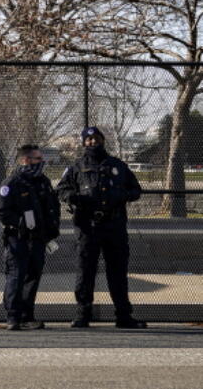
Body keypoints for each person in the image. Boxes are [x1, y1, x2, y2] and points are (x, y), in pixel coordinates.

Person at [56, 126, 147, 329]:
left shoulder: (118, 166)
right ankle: (82, 314)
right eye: (88, 140)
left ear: (102, 140)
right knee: (85, 271)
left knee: (117, 271)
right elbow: (61, 188)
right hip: (88, 228)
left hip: (114, 226)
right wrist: (71, 197)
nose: (92, 142)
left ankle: (123, 315)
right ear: (83, 143)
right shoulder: (76, 167)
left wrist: (121, 196)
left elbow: (136, 190)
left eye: (96, 138)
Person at [0, 144, 60, 330]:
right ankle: (13, 317)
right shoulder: (12, 182)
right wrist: (21, 222)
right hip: (18, 238)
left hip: (38, 239)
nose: (42, 162)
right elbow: (0, 211)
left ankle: (26, 316)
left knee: (33, 277)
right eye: (38, 159)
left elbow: (52, 207)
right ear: (25, 160)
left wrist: (51, 230)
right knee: (16, 275)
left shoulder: (42, 182)